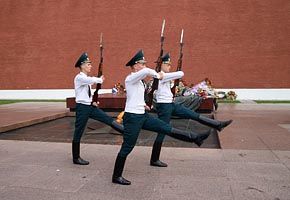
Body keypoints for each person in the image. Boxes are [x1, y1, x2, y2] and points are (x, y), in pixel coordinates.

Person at [112, 50, 211, 185]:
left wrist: (143, 105)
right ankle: (116, 176)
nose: (144, 65)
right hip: (132, 118)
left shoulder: (139, 81)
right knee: (128, 146)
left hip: (142, 115)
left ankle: (195, 138)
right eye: (142, 63)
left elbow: (134, 96)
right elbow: (146, 71)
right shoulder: (130, 78)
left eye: (144, 64)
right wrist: (158, 74)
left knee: (165, 128)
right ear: (135, 66)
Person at [149, 52, 233, 167]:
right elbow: (181, 73)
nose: (170, 66)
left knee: (191, 114)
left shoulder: (165, 76)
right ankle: (154, 159)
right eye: (168, 64)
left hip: (171, 104)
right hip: (164, 107)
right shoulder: (160, 75)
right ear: (162, 64)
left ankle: (217, 125)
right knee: (162, 131)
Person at [72, 52, 123, 165]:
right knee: (79, 131)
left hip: (90, 106)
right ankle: (76, 157)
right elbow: (91, 81)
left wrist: (92, 101)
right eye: (89, 64)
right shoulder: (79, 77)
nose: (90, 66)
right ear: (83, 65)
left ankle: (125, 131)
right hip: (82, 108)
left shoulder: (85, 78)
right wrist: (99, 79)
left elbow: (86, 92)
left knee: (107, 119)